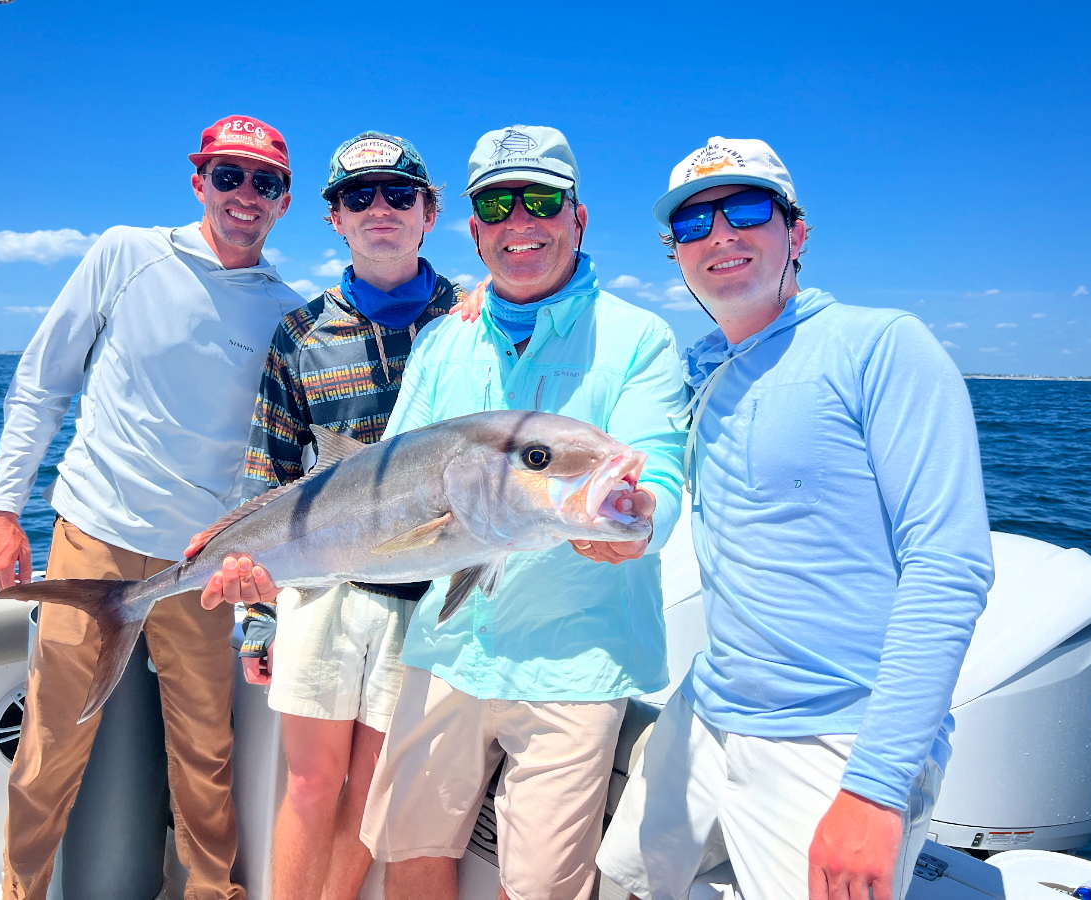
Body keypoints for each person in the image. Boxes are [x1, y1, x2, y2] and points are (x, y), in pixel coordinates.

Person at [596, 137, 995, 900]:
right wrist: (469, 300)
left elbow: (949, 566)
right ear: (676, 253)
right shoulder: (704, 370)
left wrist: (876, 788)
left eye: (747, 209)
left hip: (835, 737)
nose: (720, 233)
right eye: (693, 223)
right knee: (622, 884)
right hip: (707, 708)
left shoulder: (882, 345)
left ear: (797, 232)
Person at [353, 125, 689, 900]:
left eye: (541, 200)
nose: (520, 221)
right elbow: (386, 482)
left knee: (540, 886)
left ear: (578, 217)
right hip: (448, 641)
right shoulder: (443, 340)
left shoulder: (640, 337)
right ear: (475, 232)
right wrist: (269, 569)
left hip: (575, 655)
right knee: (410, 850)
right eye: (499, 205)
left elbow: (658, 468)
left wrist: (641, 520)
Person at [0, 114, 300, 900]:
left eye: (265, 182)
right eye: (228, 175)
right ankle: (21, 892)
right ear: (198, 182)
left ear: (284, 201)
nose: (245, 194)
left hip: (202, 562)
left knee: (206, 754)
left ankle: (212, 893)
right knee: (51, 744)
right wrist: (1, 508)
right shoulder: (126, 253)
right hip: (94, 537)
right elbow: (43, 381)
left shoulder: (288, 312)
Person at [194, 131, 466, 900]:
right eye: (357, 196)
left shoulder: (472, 320)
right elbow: (270, 472)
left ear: (430, 213)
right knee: (312, 783)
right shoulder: (301, 334)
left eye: (399, 194)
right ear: (334, 219)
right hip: (324, 585)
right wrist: (258, 618)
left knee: (376, 787)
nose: (380, 208)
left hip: (429, 590)